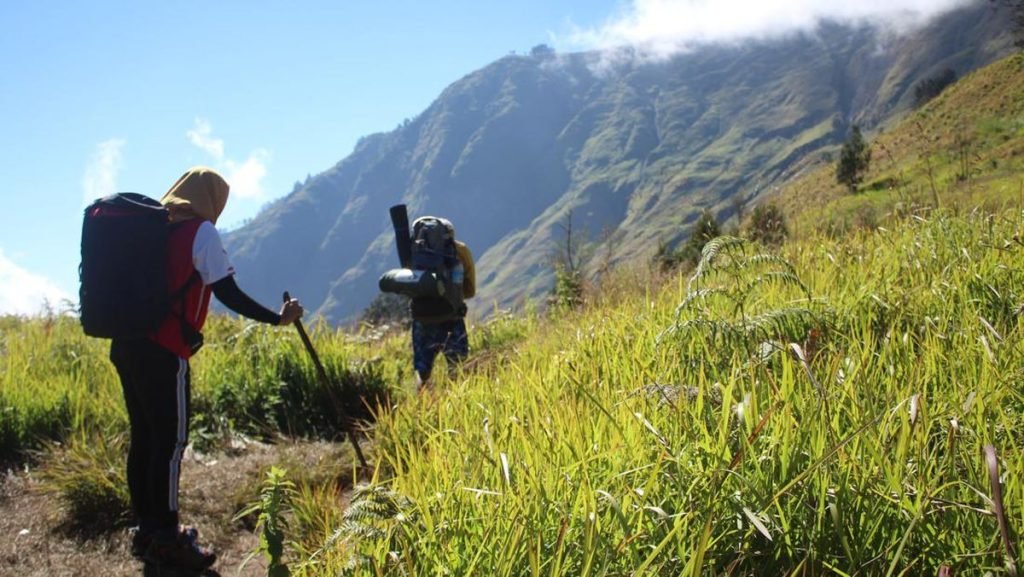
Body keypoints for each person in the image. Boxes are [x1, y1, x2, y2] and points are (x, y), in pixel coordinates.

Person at [108, 167, 303, 572]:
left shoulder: (151, 229)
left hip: (126, 344)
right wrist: (276, 319)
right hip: (165, 352)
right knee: (170, 443)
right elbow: (226, 291)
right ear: (211, 199)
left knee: (144, 438)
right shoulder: (200, 232)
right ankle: (167, 538)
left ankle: (146, 530)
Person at [409, 219, 476, 390]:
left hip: (422, 320)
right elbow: (470, 291)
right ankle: (458, 405)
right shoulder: (461, 251)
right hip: (452, 318)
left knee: (422, 372)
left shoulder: (414, 253)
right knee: (458, 369)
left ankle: (423, 408)